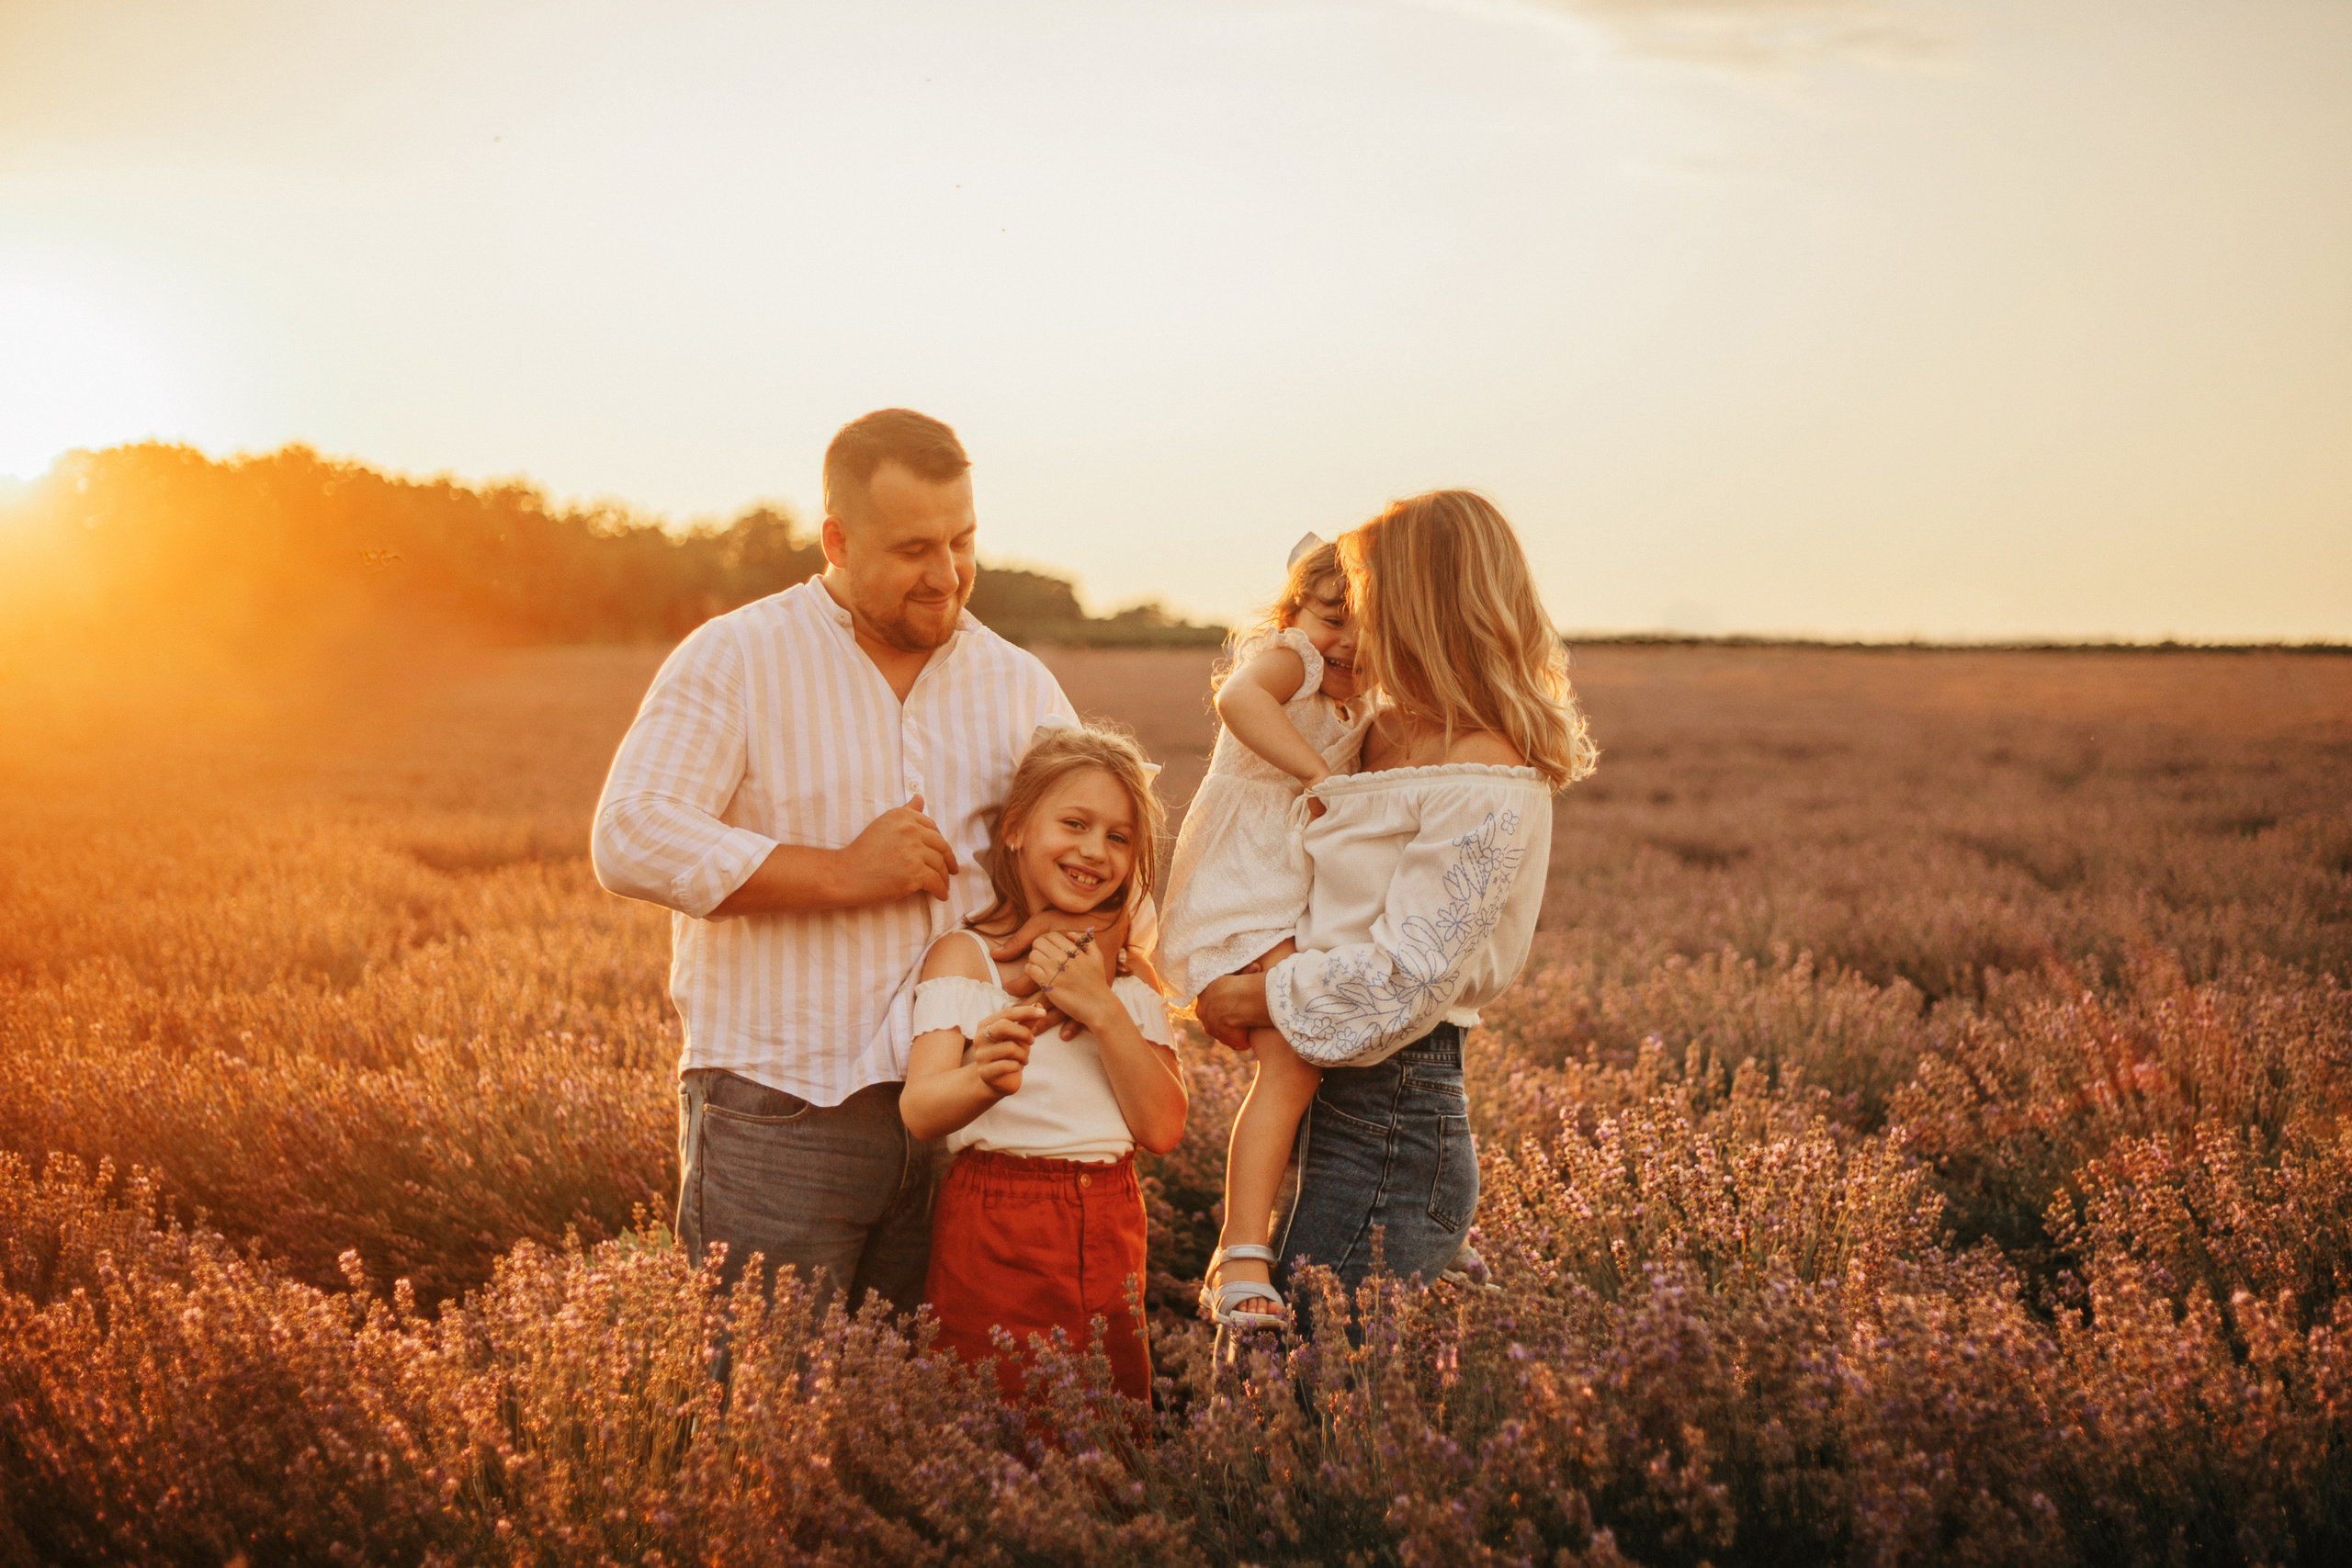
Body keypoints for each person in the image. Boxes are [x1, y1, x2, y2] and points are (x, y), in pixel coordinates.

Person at [590, 408, 1123, 1316]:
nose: (947, 574)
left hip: (963, 1121)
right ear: (835, 538)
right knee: (764, 1416)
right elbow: (631, 834)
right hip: (779, 1106)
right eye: (914, 548)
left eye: (962, 541)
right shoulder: (738, 655)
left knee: (913, 1416)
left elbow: (1099, 848)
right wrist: (839, 871)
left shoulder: (1017, 682)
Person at [1193, 490, 1597, 1311]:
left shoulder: (1486, 772)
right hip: (1330, 1087)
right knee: (1287, 1378)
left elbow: (1409, 977)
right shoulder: (1371, 729)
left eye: (1366, 596)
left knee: (1306, 1386)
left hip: (1396, 1105)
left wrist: (1253, 992)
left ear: (1422, 606)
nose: (1353, 624)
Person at [900, 717, 1187, 1402]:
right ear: (1016, 828)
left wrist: (1102, 1006)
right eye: (1076, 823)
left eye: (1119, 837)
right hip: (994, 1220)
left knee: (1104, 1424)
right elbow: (919, 1110)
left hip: (1111, 1223)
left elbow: (1163, 1126)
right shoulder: (967, 958)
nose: (1096, 850)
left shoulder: (1130, 978)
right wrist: (979, 1080)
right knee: (989, 1413)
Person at [1153, 536, 1374, 1328]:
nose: (1349, 639)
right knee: (1289, 1059)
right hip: (1242, 886)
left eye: (1372, 624)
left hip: (1296, 897)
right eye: (1332, 616)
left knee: (1331, 1053)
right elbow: (1237, 701)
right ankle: (1239, 1252)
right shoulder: (1292, 661)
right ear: (1294, 612)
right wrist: (1324, 777)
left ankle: (1406, 1206)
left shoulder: (1370, 692)